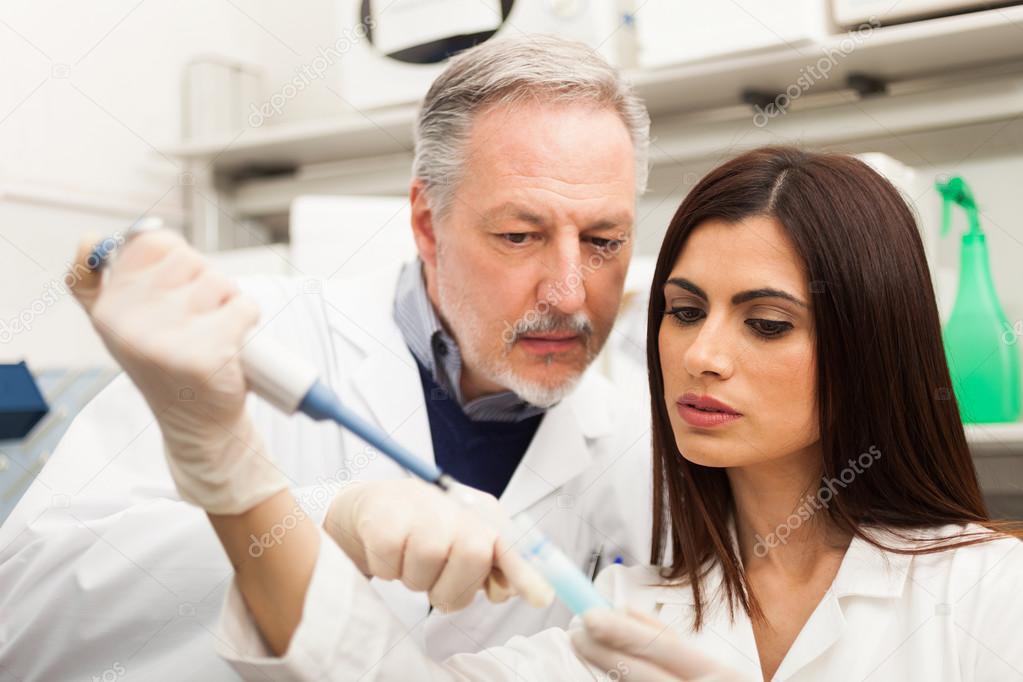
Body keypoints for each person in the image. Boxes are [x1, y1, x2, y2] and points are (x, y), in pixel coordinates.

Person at [72, 146, 1023, 681]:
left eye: (766, 323)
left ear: (868, 345)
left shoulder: (990, 594)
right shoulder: (630, 616)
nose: (703, 354)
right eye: (684, 311)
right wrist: (231, 469)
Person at [0, 36, 653, 680]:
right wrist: (321, 521)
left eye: (603, 239)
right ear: (427, 224)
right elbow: (22, 613)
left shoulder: (640, 447)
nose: (569, 292)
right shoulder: (242, 342)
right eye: (519, 235)